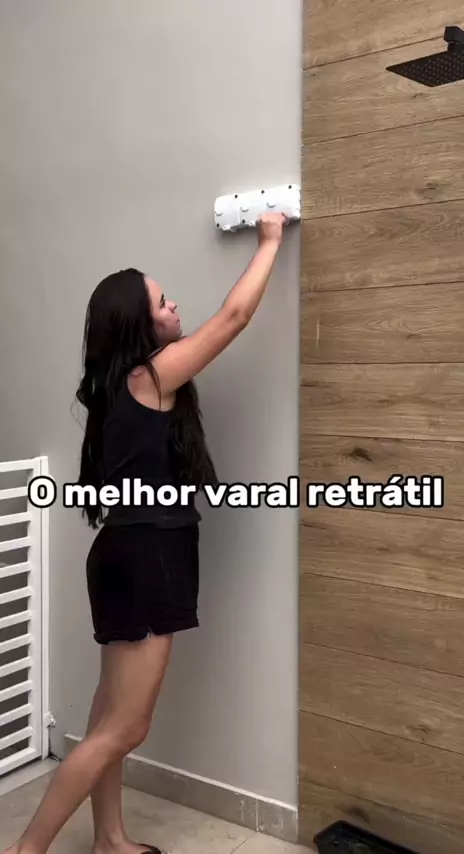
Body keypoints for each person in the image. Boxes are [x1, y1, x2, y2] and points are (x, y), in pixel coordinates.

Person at [3, 211, 289, 854]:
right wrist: (270, 238)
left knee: (107, 717)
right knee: (124, 729)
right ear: (140, 324)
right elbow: (233, 318)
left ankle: (110, 839)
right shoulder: (150, 377)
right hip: (148, 557)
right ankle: (25, 851)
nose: (174, 304)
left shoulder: (114, 385)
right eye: (163, 302)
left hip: (123, 553)